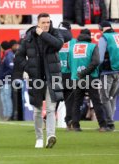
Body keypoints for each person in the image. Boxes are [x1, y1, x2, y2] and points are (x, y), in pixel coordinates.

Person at [13, 13, 72, 148]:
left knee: (51, 109)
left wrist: (42, 34)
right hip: (36, 79)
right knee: (38, 111)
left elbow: (58, 44)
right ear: (38, 23)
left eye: (48, 22)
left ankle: (50, 136)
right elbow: (18, 57)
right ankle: (39, 138)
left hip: (52, 78)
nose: (46, 25)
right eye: (44, 22)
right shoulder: (28, 38)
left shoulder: (55, 34)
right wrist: (29, 68)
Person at [68, 29, 107, 132]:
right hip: (91, 77)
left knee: (77, 102)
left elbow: (68, 64)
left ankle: (75, 125)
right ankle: (102, 125)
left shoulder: (72, 48)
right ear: (89, 36)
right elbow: (96, 62)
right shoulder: (93, 46)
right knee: (96, 102)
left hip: (76, 78)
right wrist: (84, 72)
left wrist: (77, 73)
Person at [98, 21, 119, 131]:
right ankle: (110, 122)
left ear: (101, 28)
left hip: (107, 71)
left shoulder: (104, 38)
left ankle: (110, 124)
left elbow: (100, 58)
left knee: (104, 97)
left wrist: (97, 70)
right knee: (112, 97)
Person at [57, 22, 76, 130]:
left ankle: (46, 121)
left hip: (57, 74)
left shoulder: (55, 42)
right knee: (70, 101)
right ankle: (69, 122)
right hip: (70, 74)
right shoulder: (74, 42)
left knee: (53, 101)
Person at [0, 40, 19, 121]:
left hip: (7, 79)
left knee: (6, 97)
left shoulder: (9, 55)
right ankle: (6, 114)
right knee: (4, 97)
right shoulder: (7, 54)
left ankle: (8, 115)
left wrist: (5, 75)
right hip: (4, 79)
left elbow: (11, 67)